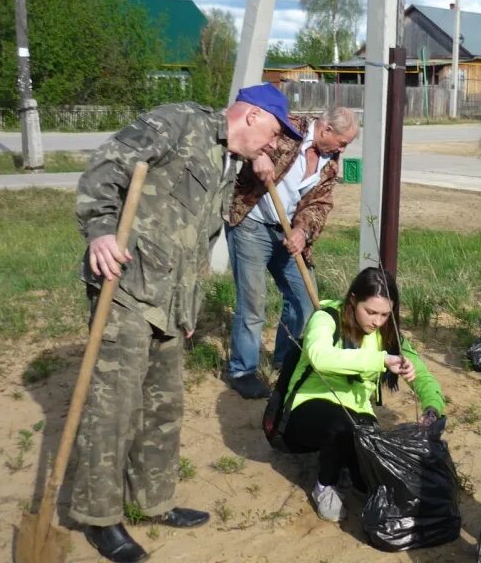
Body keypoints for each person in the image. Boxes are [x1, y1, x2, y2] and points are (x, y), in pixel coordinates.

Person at [71, 84, 301, 563]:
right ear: (253, 116)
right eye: (275, 134)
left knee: (163, 407)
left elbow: (197, 240)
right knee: (113, 408)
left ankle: (152, 500)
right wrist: (99, 232)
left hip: (171, 302)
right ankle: (99, 518)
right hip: (126, 286)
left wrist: (190, 305)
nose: (274, 146)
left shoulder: (227, 164)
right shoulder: (181, 122)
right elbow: (106, 165)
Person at [280, 267, 445, 523]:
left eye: (384, 314)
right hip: (307, 408)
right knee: (341, 425)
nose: (377, 321)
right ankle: (324, 486)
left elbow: (421, 375)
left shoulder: (389, 335)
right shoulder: (326, 318)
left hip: (357, 413)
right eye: (371, 312)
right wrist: (381, 359)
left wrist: (432, 408)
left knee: (370, 473)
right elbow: (320, 357)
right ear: (353, 299)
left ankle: (346, 463)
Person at [225, 106, 359, 399]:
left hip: (286, 233)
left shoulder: (330, 163)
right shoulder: (287, 127)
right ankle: (242, 370)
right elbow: (235, 134)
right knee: (253, 301)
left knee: (303, 298)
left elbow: (319, 205)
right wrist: (256, 155)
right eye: (343, 142)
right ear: (326, 131)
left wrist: (302, 231)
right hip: (252, 223)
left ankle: (286, 361)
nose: (343, 149)